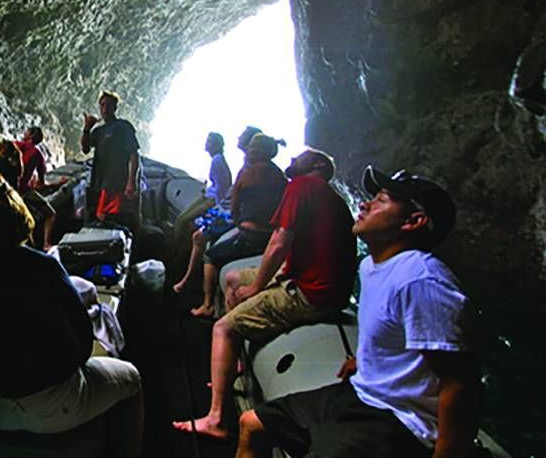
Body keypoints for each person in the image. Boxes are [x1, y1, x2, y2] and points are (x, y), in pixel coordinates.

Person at [236, 167, 480, 458]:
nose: (365, 204)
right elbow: (392, 330)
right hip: (362, 392)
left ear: (414, 221)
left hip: (400, 420)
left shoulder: (421, 280)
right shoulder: (370, 267)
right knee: (251, 423)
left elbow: (460, 382)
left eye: (382, 200)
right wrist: (365, 359)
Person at [0, 170, 143, 457]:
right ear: (16, 216)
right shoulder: (47, 268)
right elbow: (82, 342)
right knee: (132, 379)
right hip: (55, 407)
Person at [173, 148, 356, 439]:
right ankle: (231, 367)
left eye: (303, 156)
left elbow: (279, 243)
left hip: (311, 294)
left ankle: (216, 417)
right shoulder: (327, 196)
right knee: (233, 278)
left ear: (318, 164)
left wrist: (257, 287)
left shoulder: (303, 185)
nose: (294, 158)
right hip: (316, 284)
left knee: (222, 327)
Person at [185, 133, 288, 317]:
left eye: (253, 147)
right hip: (269, 236)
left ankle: (207, 304)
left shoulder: (247, 172)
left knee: (210, 257)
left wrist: (239, 221)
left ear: (261, 151)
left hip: (249, 236)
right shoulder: (279, 177)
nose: (249, 149)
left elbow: (234, 208)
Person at [171, 131, 233, 294]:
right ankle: (179, 255)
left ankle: (176, 257)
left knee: (182, 221)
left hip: (211, 200)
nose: (206, 144)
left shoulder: (218, 161)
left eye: (209, 141)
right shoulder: (217, 160)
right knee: (182, 221)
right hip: (208, 195)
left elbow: (223, 187)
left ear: (217, 144)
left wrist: (213, 207)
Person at [80, 91, 140, 224]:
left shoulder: (123, 126)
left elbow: (134, 154)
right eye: (102, 105)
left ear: (115, 108)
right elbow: (85, 149)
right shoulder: (98, 131)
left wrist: (132, 181)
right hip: (99, 181)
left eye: (108, 105)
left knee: (107, 216)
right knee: (100, 215)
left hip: (116, 181)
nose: (104, 108)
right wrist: (86, 129)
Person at [15, 126, 60, 249]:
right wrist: (57, 184)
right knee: (51, 214)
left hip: (9, 190)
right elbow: (41, 185)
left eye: (26, 132)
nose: (24, 133)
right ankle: (46, 244)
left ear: (30, 136)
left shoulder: (15, 145)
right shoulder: (38, 155)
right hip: (24, 192)